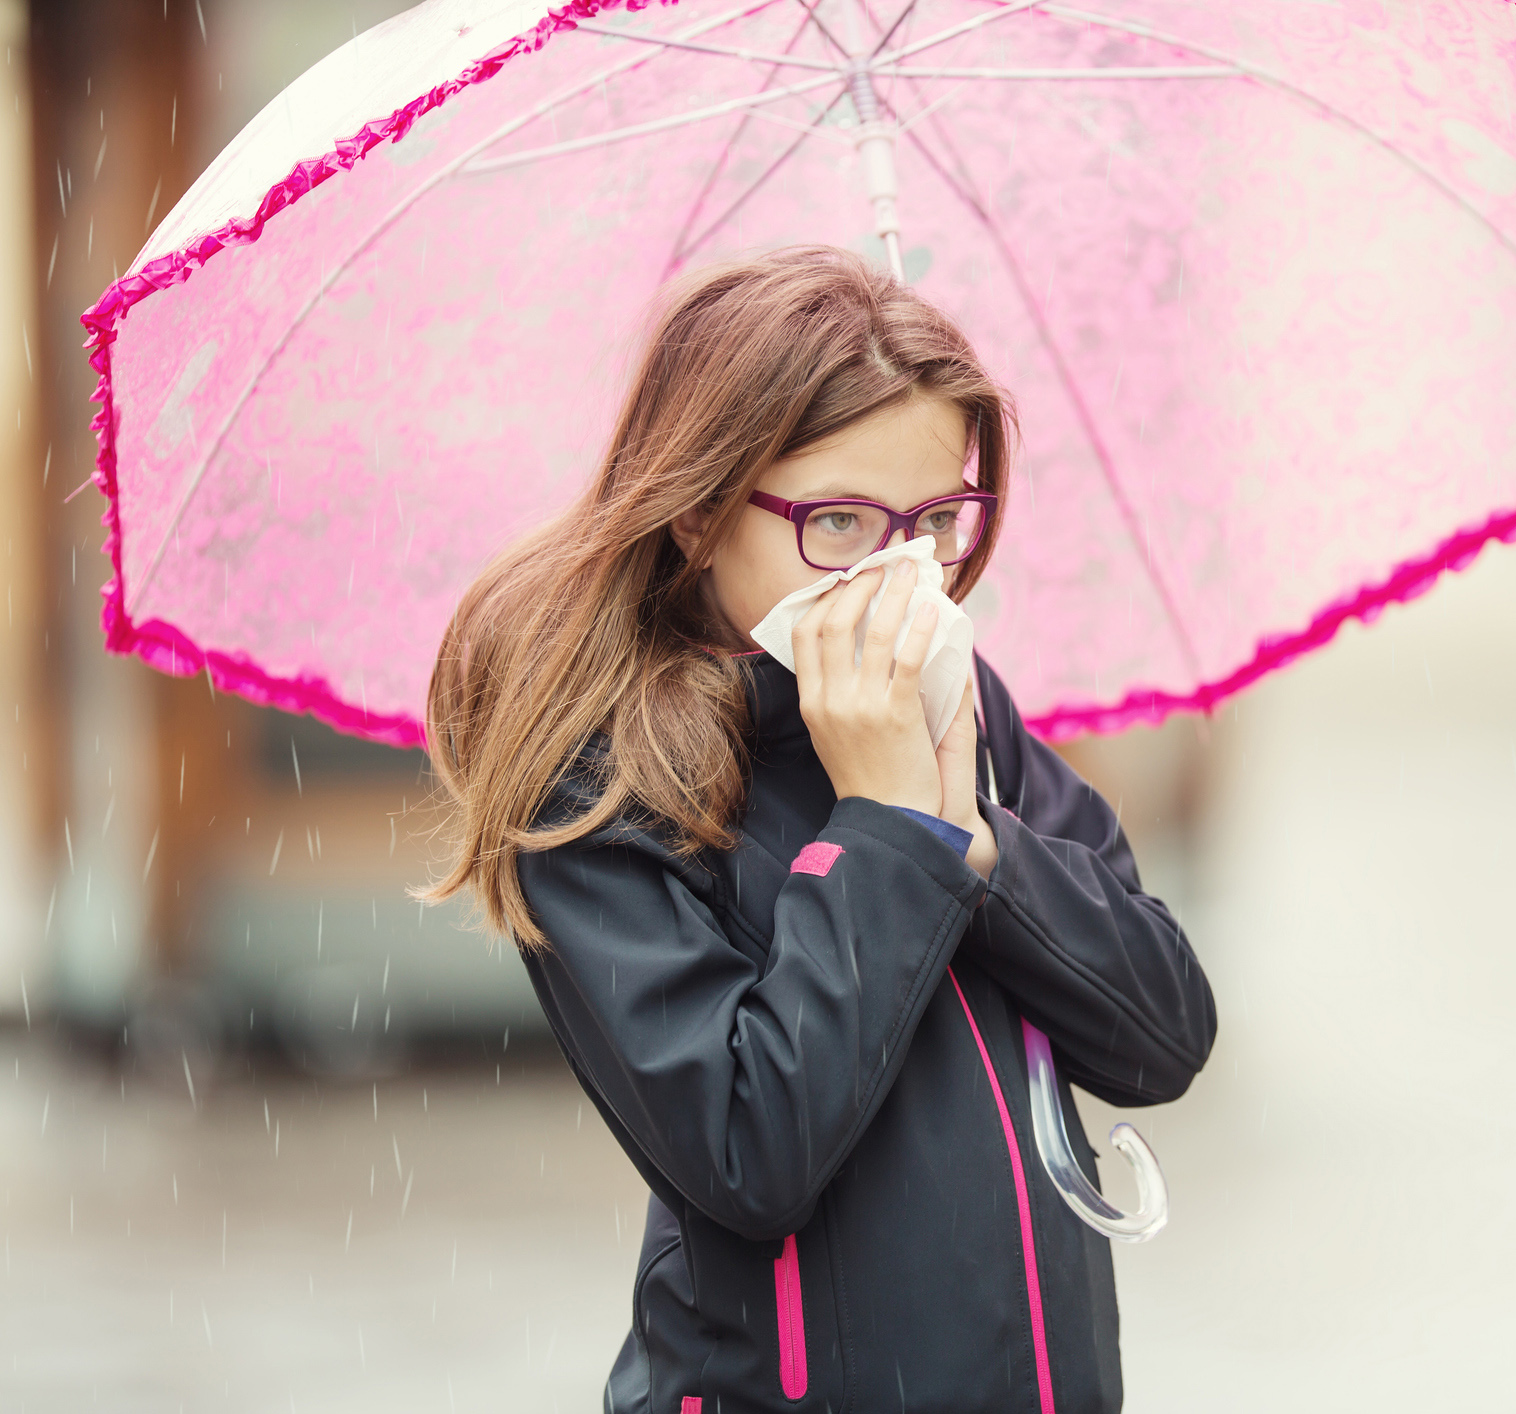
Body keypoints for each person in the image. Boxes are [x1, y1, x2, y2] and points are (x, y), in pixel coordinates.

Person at [421, 246, 1216, 1414]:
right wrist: (887, 826)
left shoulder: (958, 697)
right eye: (839, 519)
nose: (898, 574)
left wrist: (980, 847)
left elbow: (1164, 1033)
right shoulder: (596, 784)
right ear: (698, 509)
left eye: (936, 518)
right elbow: (751, 1152)